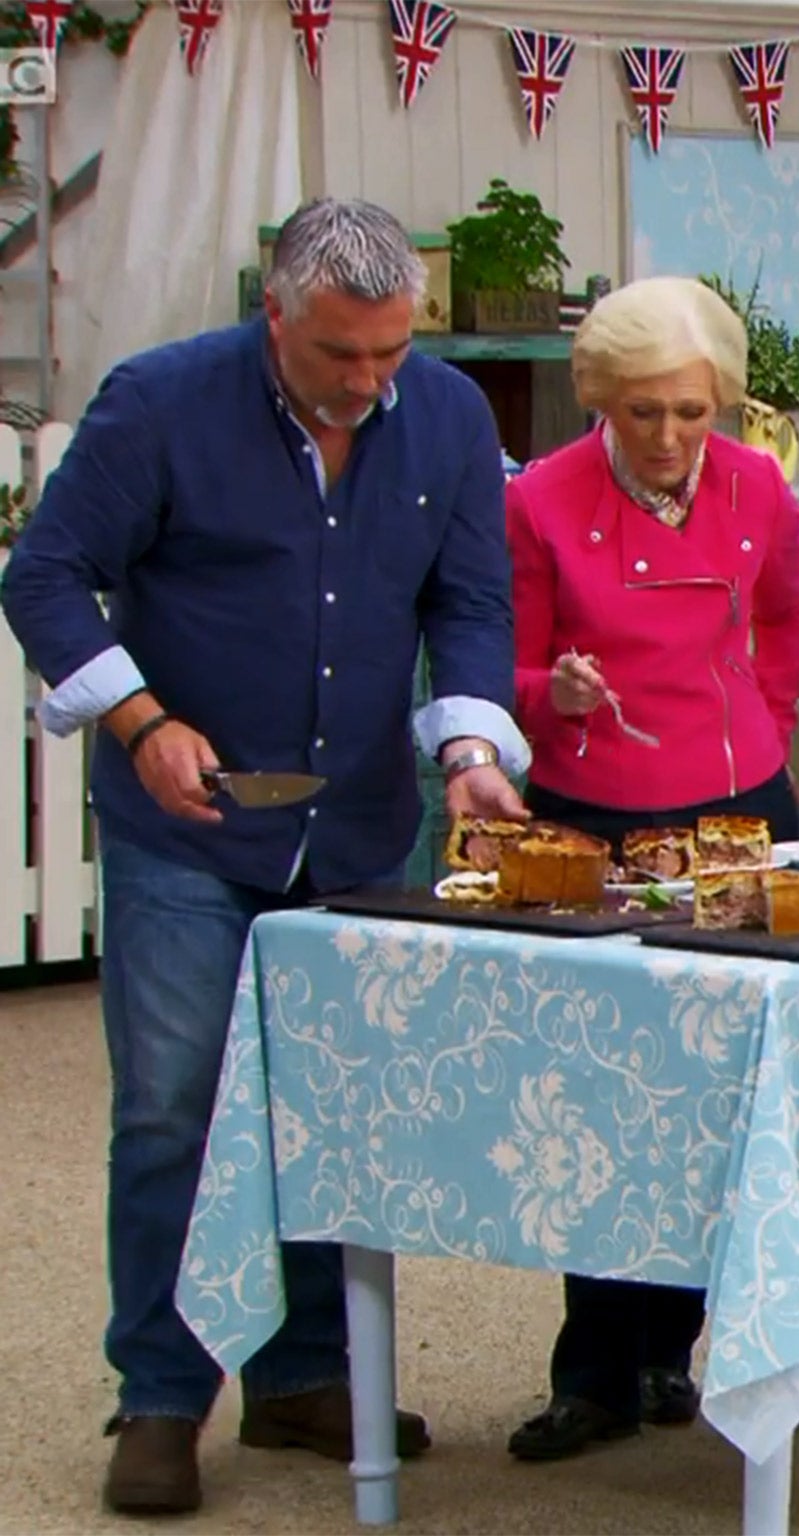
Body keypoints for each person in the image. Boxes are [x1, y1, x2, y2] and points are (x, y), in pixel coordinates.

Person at [0, 198, 529, 1516]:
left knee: (340, 1112)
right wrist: (140, 719)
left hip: (357, 822)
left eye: (390, 355)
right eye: (339, 356)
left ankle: (304, 1379)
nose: (367, 384)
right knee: (171, 1107)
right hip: (186, 825)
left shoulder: (450, 418)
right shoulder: (159, 402)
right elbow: (46, 576)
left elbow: (466, 600)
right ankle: (164, 1395)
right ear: (274, 312)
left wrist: (466, 750)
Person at [500, 275, 799, 1460]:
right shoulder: (538, 498)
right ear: (601, 401)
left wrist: (767, 728)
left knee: (726, 1085)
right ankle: (595, 1370)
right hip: (596, 804)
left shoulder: (759, 486)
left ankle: (681, 1350)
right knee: (598, 1087)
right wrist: (549, 695)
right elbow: (506, 664)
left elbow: (784, 619)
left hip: (739, 804)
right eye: (645, 415)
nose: (674, 440)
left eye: (693, 412)